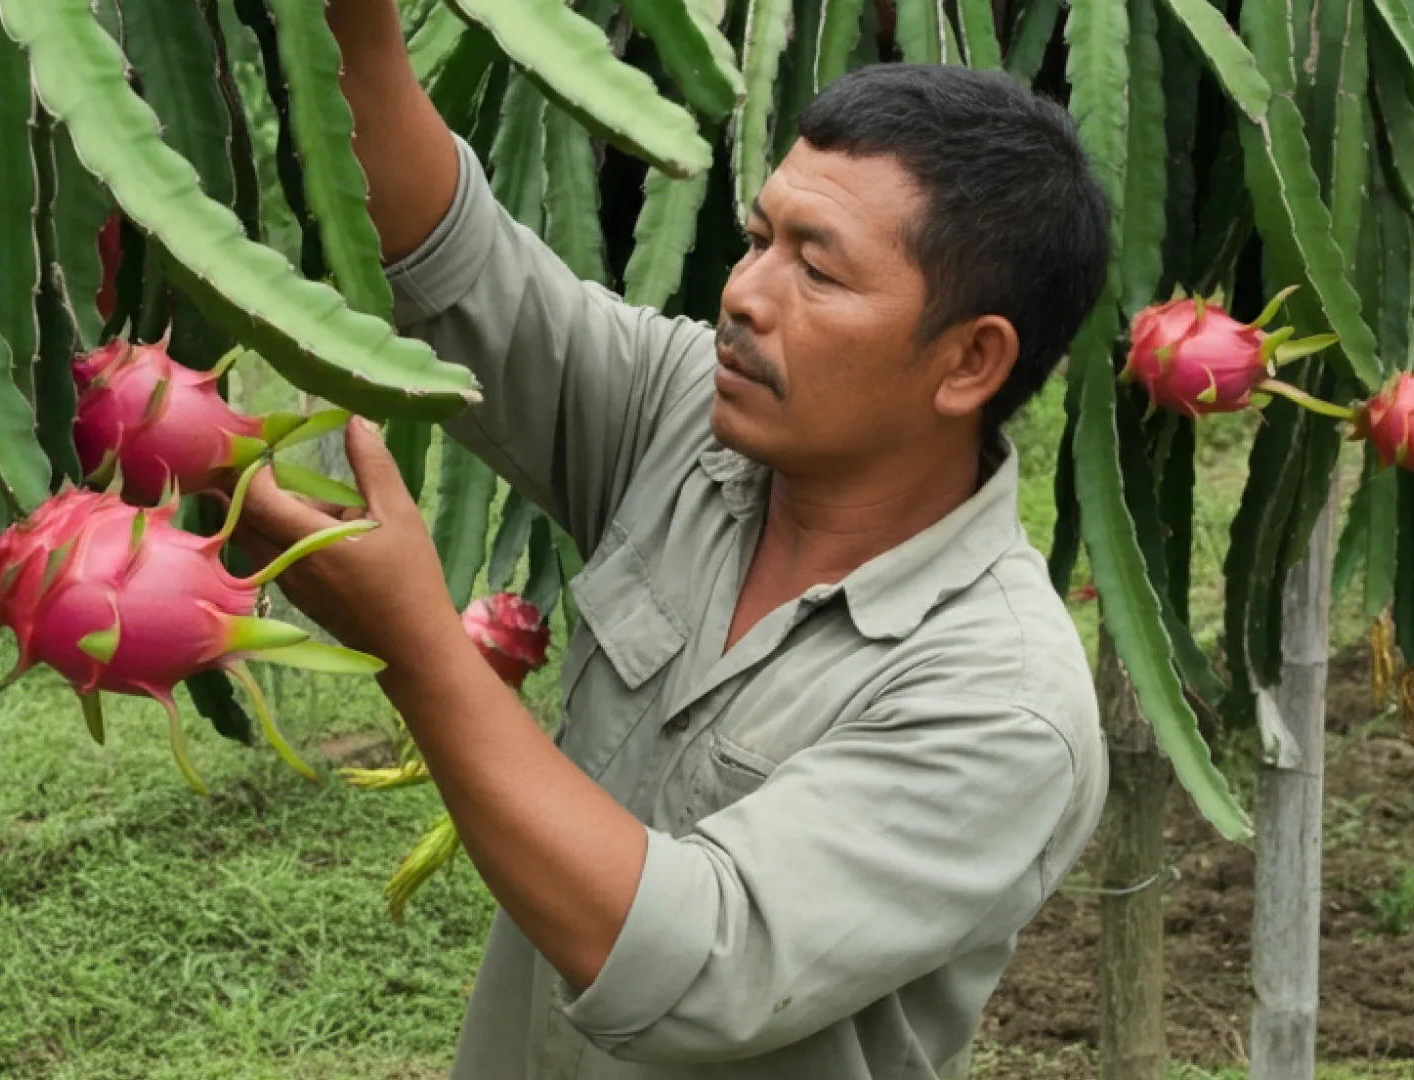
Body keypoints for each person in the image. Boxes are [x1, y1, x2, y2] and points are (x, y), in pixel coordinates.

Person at [225, 4, 1114, 1077]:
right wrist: (353, 27)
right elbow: (455, 265)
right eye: (757, 238)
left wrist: (417, 648)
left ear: (971, 361)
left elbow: (698, 966)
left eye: (817, 271)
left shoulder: (1000, 700)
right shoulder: (689, 418)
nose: (743, 294)